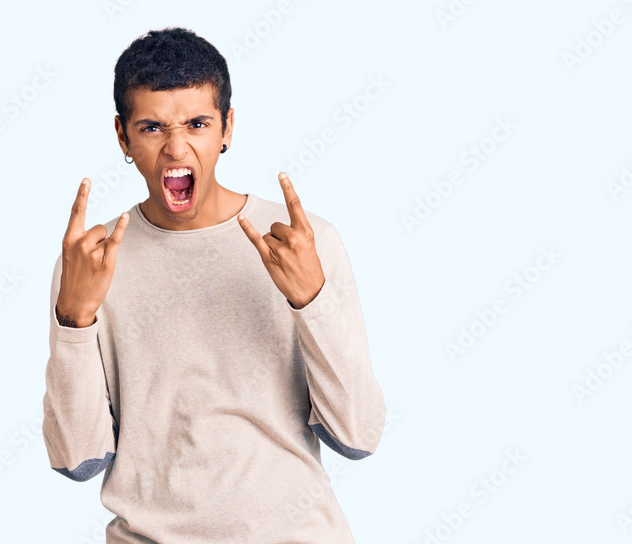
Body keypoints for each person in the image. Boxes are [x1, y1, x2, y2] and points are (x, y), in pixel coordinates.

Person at [41, 27, 385, 543]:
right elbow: (77, 460)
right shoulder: (91, 262)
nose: (176, 147)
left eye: (197, 123)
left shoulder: (300, 243)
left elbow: (358, 436)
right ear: (123, 138)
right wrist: (73, 322)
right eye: (152, 127)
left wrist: (311, 301)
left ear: (227, 128)